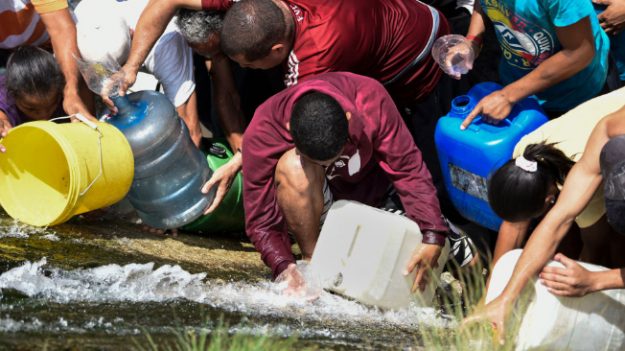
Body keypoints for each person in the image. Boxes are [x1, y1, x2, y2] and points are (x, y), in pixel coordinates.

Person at [242, 71, 467, 292]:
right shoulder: (265, 127)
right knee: (293, 166)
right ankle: (313, 261)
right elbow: (260, 221)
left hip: (376, 197)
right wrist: (283, 266)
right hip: (315, 209)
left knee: (462, 253)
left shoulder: (369, 99)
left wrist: (432, 233)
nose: (333, 163)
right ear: (290, 128)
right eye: (319, 161)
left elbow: (407, 170)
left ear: (348, 119)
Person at [464, 91, 625, 337]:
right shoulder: (609, 131)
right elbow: (557, 220)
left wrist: (597, 281)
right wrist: (502, 298)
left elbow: (596, 248)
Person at [452, 0, 609, 129]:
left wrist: (507, 96)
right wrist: (472, 41)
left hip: (574, 94)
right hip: (517, 83)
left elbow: (579, 52)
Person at [74, 0, 202, 146]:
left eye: (119, 66)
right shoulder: (84, 21)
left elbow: (191, 131)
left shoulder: (165, 47)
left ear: (132, 32)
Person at [0, 0, 94, 119]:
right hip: (4, 54)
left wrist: (71, 90)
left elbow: (60, 30)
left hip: (47, 42)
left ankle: (88, 123)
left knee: (77, 66)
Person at [0, 46, 65, 152]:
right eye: (32, 109)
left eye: (52, 105)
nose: (44, 116)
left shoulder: (67, 92)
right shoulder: (5, 99)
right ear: (13, 96)